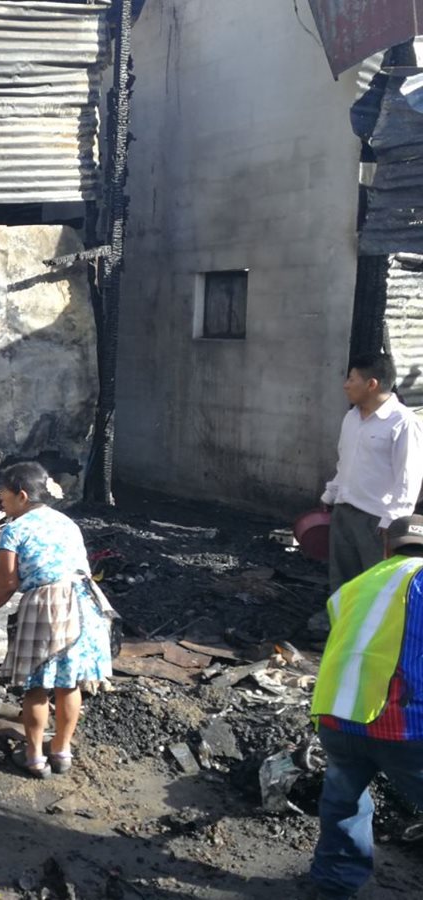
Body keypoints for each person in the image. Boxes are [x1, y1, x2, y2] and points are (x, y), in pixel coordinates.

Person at [0, 462, 117, 779]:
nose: (2, 504)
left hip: (49, 606)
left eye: (4, 498)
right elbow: (30, 567)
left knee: (36, 686)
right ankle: (61, 751)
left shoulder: (15, 528)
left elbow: (7, 583)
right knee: (68, 682)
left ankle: (34, 758)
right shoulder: (66, 523)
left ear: (21, 496)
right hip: (84, 603)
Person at [309, 514, 423, 899]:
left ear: (387, 548)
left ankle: (334, 886)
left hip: (338, 714)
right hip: (403, 726)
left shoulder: (354, 586)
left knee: (344, 802)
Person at [322, 353, 423, 592]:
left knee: (375, 584)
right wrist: (331, 494)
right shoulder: (351, 417)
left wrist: (392, 522)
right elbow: (344, 462)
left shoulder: (403, 423)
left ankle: (369, 629)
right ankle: (342, 624)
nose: (345, 385)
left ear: (372, 384)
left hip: (377, 522)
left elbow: (408, 478)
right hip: (344, 512)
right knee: (342, 579)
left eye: (351, 379)